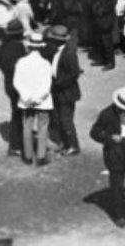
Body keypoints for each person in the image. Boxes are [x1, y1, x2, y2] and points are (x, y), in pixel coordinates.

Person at [90, 87, 125, 228]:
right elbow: (94, 132)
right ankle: (118, 215)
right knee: (117, 186)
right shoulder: (106, 114)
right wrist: (109, 138)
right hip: (114, 155)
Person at [12, 32, 53, 165]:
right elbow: (47, 85)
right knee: (42, 127)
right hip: (42, 101)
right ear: (41, 47)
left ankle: (28, 156)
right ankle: (41, 156)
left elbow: (17, 82)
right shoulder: (46, 63)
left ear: (29, 47)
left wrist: (27, 97)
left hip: (26, 101)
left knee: (27, 126)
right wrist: (37, 99)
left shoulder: (21, 62)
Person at [47, 24, 81, 156]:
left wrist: (59, 83)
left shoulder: (69, 53)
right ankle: (64, 142)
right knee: (57, 117)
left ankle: (73, 145)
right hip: (57, 89)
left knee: (66, 120)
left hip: (66, 92)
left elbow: (74, 73)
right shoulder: (58, 50)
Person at [0, 18, 26, 156]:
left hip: (8, 83)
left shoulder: (2, 45)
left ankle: (17, 143)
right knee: (19, 114)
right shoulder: (19, 47)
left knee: (16, 112)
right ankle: (15, 145)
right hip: (20, 85)